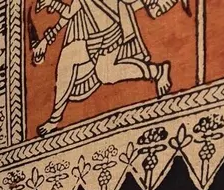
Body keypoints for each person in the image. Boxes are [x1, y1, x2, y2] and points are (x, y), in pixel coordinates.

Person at [32, 0, 189, 136]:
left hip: (110, 34)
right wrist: (45, 40)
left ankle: (157, 72)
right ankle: (54, 119)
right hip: (95, 38)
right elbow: (70, 12)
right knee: (74, 62)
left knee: (102, 72)